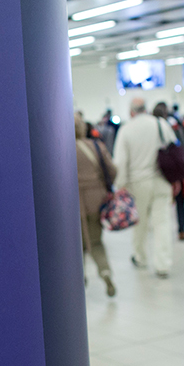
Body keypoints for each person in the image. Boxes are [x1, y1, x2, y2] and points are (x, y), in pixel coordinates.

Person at [114, 97, 175, 278]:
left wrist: (120, 186)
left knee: (139, 223)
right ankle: (163, 264)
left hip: (138, 183)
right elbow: (174, 150)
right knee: (162, 222)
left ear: (131, 111)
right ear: (145, 109)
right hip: (162, 179)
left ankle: (140, 257)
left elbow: (121, 161)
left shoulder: (126, 129)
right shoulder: (161, 124)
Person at [75, 112, 116, 297]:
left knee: (77, 245)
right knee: (96, 241)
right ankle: (105, 273)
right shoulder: (96, 146)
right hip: (96, 200)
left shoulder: (59, 149)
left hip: (73, 204)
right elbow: (112, 171)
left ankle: (78, 278)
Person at [154, 102, 184, 241]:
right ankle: (181, 229)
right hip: (175, 168)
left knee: (162, 204)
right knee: (180, 201)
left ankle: (163, 231)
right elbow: (182, 147)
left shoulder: (153, 128)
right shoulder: (175, 126)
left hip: (159, 171)